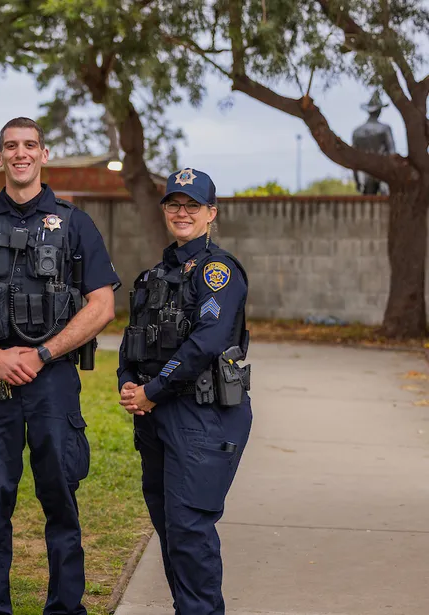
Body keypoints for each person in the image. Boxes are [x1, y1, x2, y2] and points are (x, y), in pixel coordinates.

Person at [0, 117, 119, 615]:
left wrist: (41, 354)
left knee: (60, 497)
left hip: (52, 381)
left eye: (29, 145)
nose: (20, 153)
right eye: (10, 146)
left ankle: (66, 608)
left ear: (44, 153)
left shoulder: (74, 223)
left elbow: (102, 304)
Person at [117, 168, 252, 615]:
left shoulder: (217, 272)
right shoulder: (155, 274)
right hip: (157, 416)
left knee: (190, 530)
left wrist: (153, 390)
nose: (182, 212)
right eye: (174, 204)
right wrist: (129, 385)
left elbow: (208, 342)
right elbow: (132, 340)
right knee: (171, 528)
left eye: (192, 205)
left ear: (210, 213)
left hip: (202, 415)